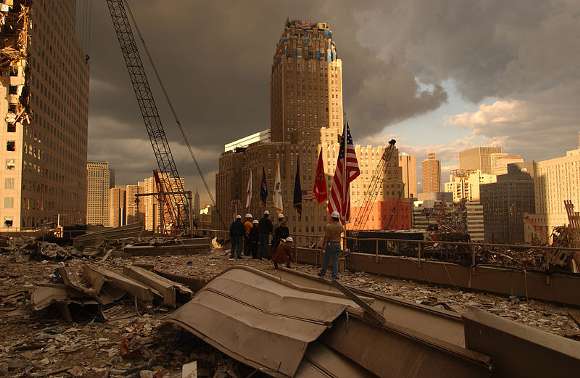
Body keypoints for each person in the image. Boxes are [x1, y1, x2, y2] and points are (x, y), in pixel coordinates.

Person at [319, 211, 344, 280]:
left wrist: (323, 246)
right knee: (335, 261)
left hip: (330, 244)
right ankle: (334, 275)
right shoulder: (340, 226)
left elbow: (326, 238)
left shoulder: (328, 226)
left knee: (326, 259)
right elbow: (342, 231)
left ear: (332, 218)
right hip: (338, 244)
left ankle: (323, 272)